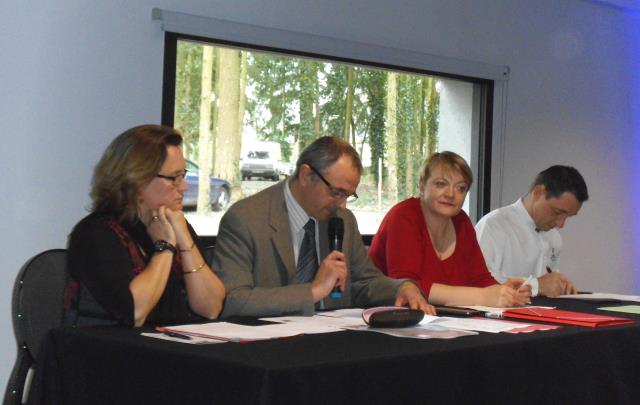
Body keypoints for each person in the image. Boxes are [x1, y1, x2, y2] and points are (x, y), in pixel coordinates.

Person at [213, 136, 434, 317]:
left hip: (331, 346)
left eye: (348, 195)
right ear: (307, 175)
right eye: (336, 193)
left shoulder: (343, 221)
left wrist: (402, 287)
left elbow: (363, 283)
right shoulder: (246, 218)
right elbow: (234, 300)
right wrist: (313, 291)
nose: (342, 204)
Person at [66, 125, 225, 326]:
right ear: (138, 179)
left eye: (182, 176)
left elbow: (211, 308)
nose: (183, 186)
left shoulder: (175, 224)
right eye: (173, 178)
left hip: (169, 351)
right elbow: (134, 313)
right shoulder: (95, 234)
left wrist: (184, 241)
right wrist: (164, 248)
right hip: (109, 352)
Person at [369, 151, 531, 308]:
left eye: (460, 188)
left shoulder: (462, 221)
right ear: (422, 186)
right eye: (441, 184)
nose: (450, 194)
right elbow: (407, 285)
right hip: (386, 318)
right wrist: (483, 296)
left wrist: (503, 291)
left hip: (440, 321)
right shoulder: (403, 216)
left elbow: (479, 279)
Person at [475, 165, 588, 297]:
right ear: (538, 192)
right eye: (557, 212)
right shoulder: (493, 225)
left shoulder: (554, 237)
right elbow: (480, 284)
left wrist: (561, 286)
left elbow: (546, 286)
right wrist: (536, 285)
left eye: (568, 216)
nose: (561, 224)